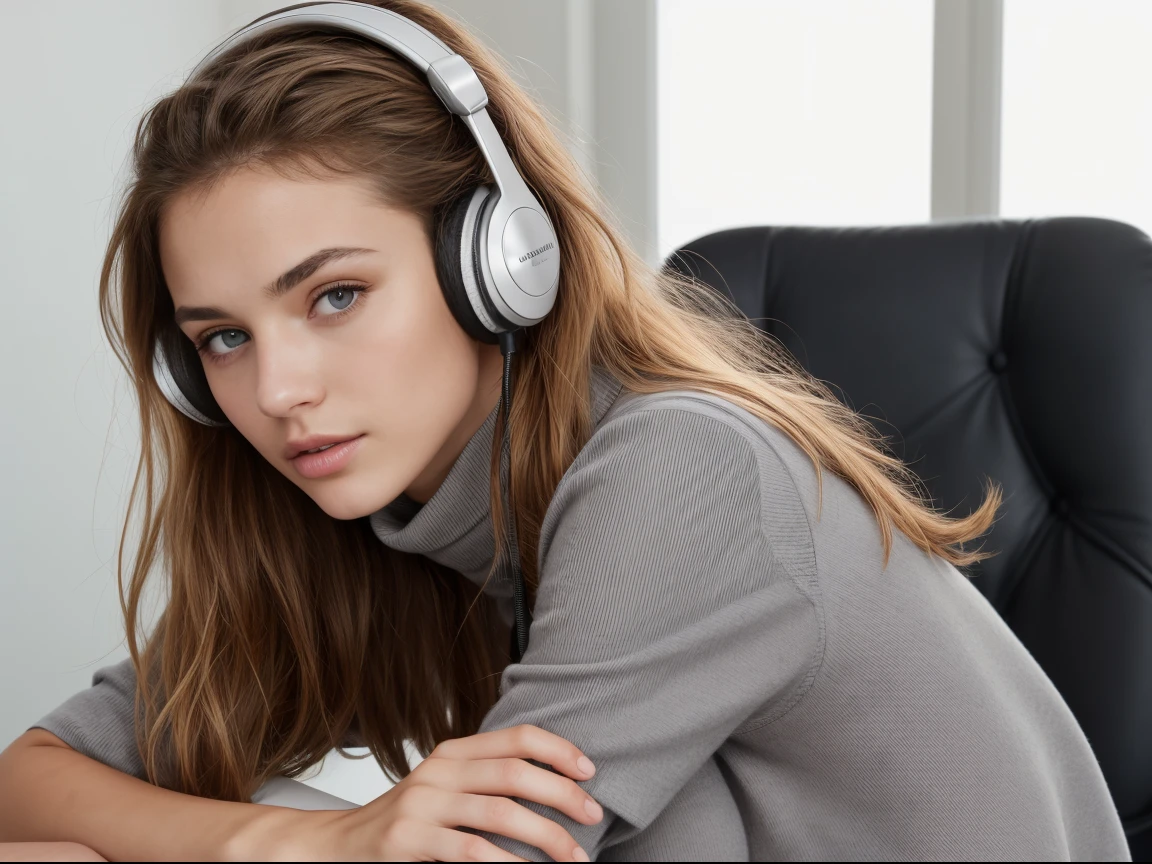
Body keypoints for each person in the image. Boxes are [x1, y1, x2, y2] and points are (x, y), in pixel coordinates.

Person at [0, 1, 1131, 861]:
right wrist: (289, 842)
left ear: (503, 262)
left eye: (335, 295)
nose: (278, 389)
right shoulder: (383, 520)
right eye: (221, 339)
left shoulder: (682, 467)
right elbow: (34, 774)